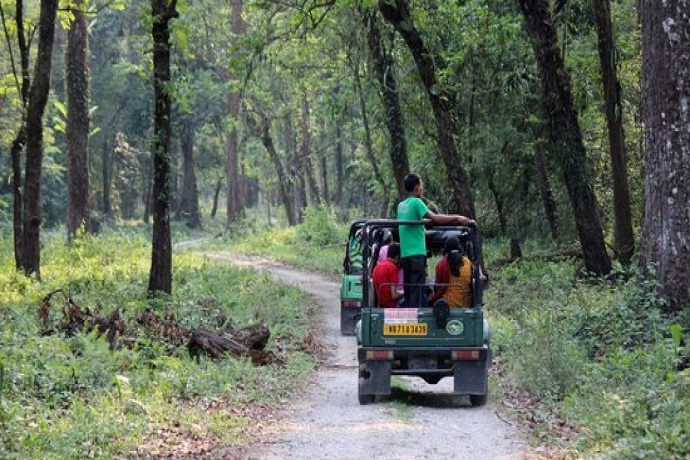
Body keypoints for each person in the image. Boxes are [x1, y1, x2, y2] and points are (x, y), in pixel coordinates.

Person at [397, 173, 475, 307]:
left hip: (405, 254)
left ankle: (406, 318)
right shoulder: (417, 202)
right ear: (416, 188)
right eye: (421, 186)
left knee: (409, 290)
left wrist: (425, 221)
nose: (422, 189)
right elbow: (436, 218)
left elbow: (415, 221)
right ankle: (415, 322)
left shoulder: (401, 206)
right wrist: (457, 218)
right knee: (417, 290)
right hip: (417, 253)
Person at [428, 236, 474, 308]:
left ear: (446, 248)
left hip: (447, 305)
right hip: (465, 304)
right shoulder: (468, 262)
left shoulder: (442, 264)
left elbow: (438, 288)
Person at [371, 243, 404, 308]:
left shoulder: (377, 267)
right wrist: (405, 293)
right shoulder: (392, 268)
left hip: (381, 304)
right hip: (391, 305)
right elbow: (394, 295)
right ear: (397, 256)